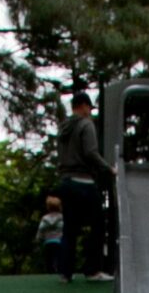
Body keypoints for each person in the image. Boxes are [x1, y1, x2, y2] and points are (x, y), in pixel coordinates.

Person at [55, 89, 114, 281]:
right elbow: (90, 152)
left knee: (70, 228)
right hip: (84, 181)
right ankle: (92, 270)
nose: (90, 112)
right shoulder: (86, 125)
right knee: (97, 225)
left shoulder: (64, 128)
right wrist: (108, 169)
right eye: (88, 107)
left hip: (66, 181)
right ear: (83, 106)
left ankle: (65, 273)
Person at [37, 191, 65, 272]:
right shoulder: (62, 217)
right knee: (60, 259)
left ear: (48, 207)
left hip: (48, 243)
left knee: (48, 261)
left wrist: (38, 238)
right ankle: (61, 273)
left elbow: (41, 229)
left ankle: (49, 273)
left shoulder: (45, 218)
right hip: (60, 242)